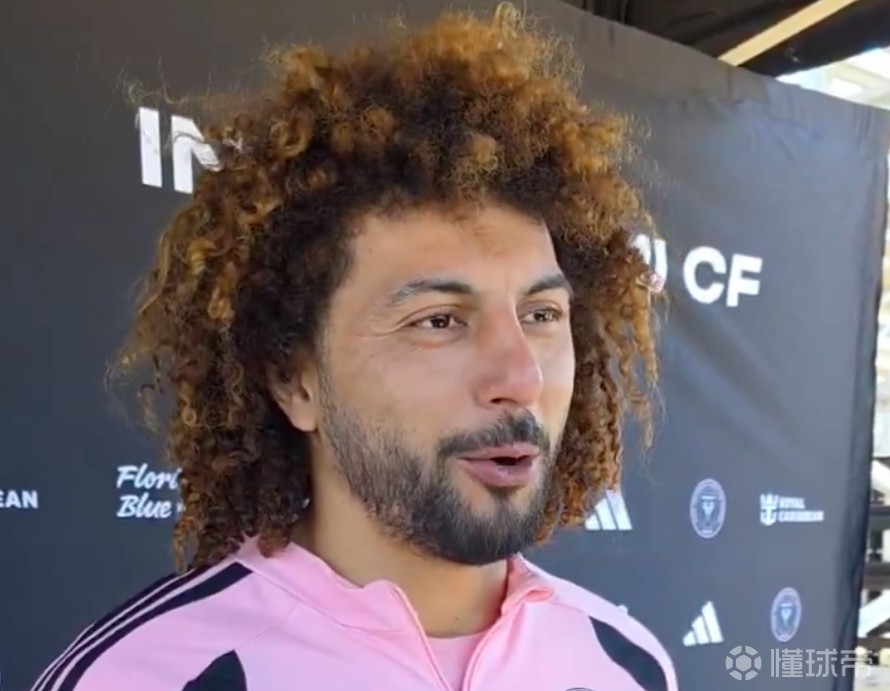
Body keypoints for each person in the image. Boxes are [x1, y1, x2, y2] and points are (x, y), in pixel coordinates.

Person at [32, 4, 676, 690]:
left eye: (542, 314)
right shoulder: (147, 675)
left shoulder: (629, 663)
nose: (521, 377)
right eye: (439, 321)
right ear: (295, 380)